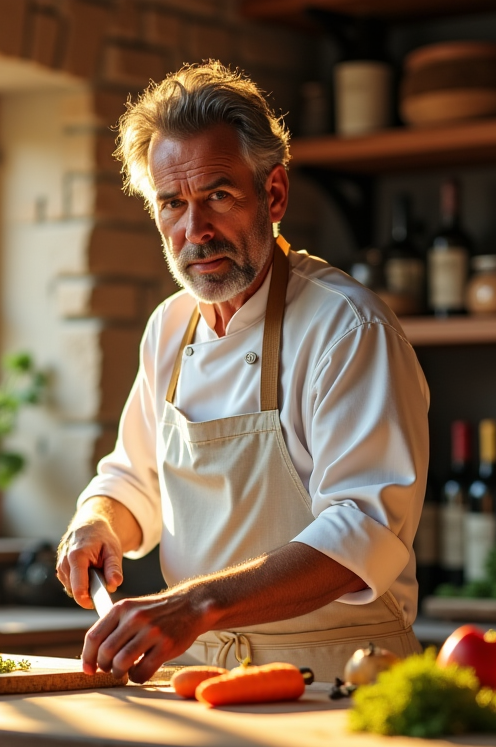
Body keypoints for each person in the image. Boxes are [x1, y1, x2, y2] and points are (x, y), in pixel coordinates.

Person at [55, 61, 430, 684]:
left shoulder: (348, 330)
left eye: (218, 196)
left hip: (342, 678)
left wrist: (195, 605)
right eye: (171, 203)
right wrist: (97, 521)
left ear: (274, 193)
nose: (194, 231)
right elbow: (134, 481)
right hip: (197, 678)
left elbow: (363, 531)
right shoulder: (169, 327)